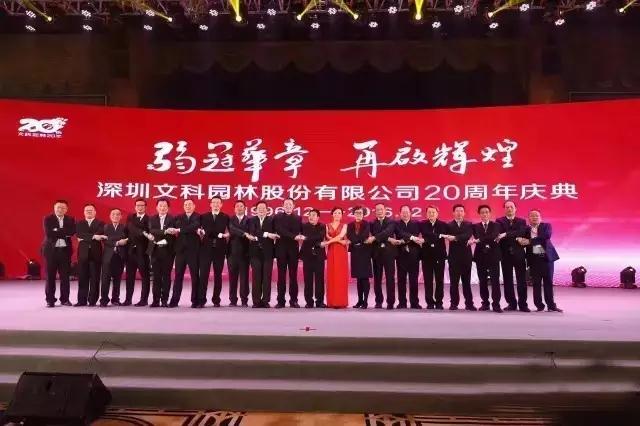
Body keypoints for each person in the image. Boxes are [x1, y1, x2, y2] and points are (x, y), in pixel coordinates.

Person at [518, 209, 562, 312]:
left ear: (540, 218)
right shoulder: (526, 229)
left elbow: (545, 237)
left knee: (548, 282)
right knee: (536, 283)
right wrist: (519, 239)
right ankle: (539, 305)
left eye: (536, 216)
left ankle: (551, 305)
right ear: (529, 218)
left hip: (546, 258)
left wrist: (530, 241)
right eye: (532, 216)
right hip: (534, 259)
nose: (534, 217)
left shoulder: (546, 226)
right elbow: (520, 238)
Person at [496, 201, 530, 312]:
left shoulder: (522, 221)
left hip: (519, 254)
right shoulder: (499, 221)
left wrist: (506, 234)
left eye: (511, 207)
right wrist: (514, 235)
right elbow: (499, 234)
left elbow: (521, 232)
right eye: (507, 207)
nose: (509, 209)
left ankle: (523, 304)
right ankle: (511, 303)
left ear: (516, 208)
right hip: (505, 254)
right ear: (504, 209)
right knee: (507, 280)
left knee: (522, 280)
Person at [166, 199, 201, 308]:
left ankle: (195, 301)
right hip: (180, 250)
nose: (188, 206)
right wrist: (174, 230)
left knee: (195, 276)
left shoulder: (198, 217)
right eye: (186, 204)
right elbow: (174, 228)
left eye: (190, 204)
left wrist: (179, 230)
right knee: (178, 276)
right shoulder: (178, 217)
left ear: (194, 206)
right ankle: (174, 300)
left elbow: (194, 226)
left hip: (193, 250)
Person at [42, 200, 76, 307]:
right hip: (51, 252)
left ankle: (65, 299)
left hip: (65, 252)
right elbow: (49, 233)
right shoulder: (48, 219)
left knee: (65, 277)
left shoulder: (70, 219)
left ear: (66, 209)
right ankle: (50, 300)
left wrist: (57, 230)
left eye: (63, 208)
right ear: (54, 208)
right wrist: (64, 232)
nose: (60, 209)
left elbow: (72, 232)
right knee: (50, 277)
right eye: (58, 207)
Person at [197, 196, 230, 308]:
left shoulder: (225, 217)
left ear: (221, 204)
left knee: (218, 275)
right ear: (210, 204)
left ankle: (216, 300)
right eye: (214, 202)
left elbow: (228, 230)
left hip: (220, 249)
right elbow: (202, 230)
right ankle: (201, 300)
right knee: (203, 275)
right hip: (205, 249)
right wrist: (201, 231)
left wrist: (225, 235)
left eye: (218, 203)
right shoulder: (204, 216)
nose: (216, 204)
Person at [471, 205, 502, 313]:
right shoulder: (475, 226)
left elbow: (494, 236)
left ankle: (496, 304)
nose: (484, 214)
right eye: (482, 212)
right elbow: (480, 236)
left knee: (495, 281)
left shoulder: (496, 225)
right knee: (482, 281)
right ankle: (485, 303)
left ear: (490, 213)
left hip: (494, 256)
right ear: (479, 214)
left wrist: (479, 240)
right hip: (480, 256)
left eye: (486, 212)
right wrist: (481, 239)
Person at [444, 204, 476, 311]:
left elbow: (467, 235)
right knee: (454, 283)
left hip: (466, 257)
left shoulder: (469, 224)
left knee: (466, 282)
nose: (459, 213)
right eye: (457, 211)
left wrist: (455, 238)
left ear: (464, 213)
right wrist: (459, 238)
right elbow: (448, 236)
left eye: (461, 211)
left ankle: (469, 304)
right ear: (453, 213)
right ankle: (454, 303)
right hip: (453, 257)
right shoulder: (448, 225)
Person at [247, 201, 278, 308]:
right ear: (255, 210)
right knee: (256, 277)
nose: (261, 210)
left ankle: (265, 301)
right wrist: (267, 234)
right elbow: (253, 231)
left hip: (268, 252)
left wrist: (264, 235)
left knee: (267, 277)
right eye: (259, 208)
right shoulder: (251, 220)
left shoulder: (272, 220)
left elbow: (275, 233)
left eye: (263, 208)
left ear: (267, 210)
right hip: (254, 252)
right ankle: (256, 301)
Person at [146, 198, 176, 308]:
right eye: (160, 206)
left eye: (164, 206)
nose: (162, 208)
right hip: (155, 251)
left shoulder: (172, 219)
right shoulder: (152, 218)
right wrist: (165, 231)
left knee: (166, 277)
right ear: (157, 207)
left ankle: (164, 300)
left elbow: (171, 235)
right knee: (156, 277)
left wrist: (163, 239)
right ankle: (155, 300)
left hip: (168, 251)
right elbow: (152, 231)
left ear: (168, 208)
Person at [274, 198, 303, 309]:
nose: (288, 206)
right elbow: (279, 230)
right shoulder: (277, 217)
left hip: (293, 250)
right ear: (282, 205)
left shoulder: (298, 218)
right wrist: (293, 236)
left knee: (293, 276)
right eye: (286, 204)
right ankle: (280, 301)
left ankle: (294, 300)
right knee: (281, 276)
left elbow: (301, 231)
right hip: (281, 249)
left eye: (290, 204)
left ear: (294, 206)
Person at [418, 205, 448, 310]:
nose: (431, 214)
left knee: (439, 280)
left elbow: (431, 236)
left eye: (433, 212)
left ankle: (439, 302)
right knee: (428, 280)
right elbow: (427, 234)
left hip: (439, 255)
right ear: (426, 214)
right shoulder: (422, 224)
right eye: (429, 212)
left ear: (437, 213)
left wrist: (427, 239)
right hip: (426, 255)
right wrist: (439, 236)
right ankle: (429, 302)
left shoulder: (443, 224)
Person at [75, 204, 105, 307]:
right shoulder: (79, 223)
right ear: (84, 212)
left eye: (91, 210)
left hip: (95, 253)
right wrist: (94, 236)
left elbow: (100, 232)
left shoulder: (100, 223)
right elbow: (79, 234)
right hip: (83, 253)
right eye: (86, 210)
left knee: (95, 278)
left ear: (95, 212)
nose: (88, 212)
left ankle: (92, 300)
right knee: (82, 277)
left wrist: (85, 237)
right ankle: (81, 300)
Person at [368, 203, 397, 309]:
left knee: (390, 278)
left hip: (389, 254)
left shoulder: (391, 222)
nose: (379, 211)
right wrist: (387, 238)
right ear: (375, 211)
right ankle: (378, 301)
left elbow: (387, 232)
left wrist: (375, 237)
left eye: (381, 209)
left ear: (385, 210)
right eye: (377, 210)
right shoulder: (372, 223)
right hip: (377, 254)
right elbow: (379, 233)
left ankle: (390, 302)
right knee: (377, 279)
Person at [393, 205, 421, 309]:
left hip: (414, 255)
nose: (405, 214)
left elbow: (415, 234)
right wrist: (412, 237)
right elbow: (400, 233)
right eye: (403, 212)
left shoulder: (416, 224)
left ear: (410, 213)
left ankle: (414, 302)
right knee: (401, 280)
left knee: (414, 280)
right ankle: (402, 302)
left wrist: (404, 240)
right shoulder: (396, 224)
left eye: (407, 212)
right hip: (401, 255)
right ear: (400, 213)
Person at [100, 208, 128, 307]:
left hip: (119, 256)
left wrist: (110, 239)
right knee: (105, 279)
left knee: (117, 279)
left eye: (118, 214)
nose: (115, 216)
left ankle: (115, 299)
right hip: (107, 257)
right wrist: (117, 242)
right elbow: (104, 240)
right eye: (113, 214)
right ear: (110, 216)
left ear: (121, 216)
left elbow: (125, 238)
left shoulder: (124, 227)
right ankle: (104, 300)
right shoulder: (105, 227)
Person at [300, 209, 327, 308]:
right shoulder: (304, 226)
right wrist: (316, 242)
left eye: (314, 215)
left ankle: (320, 301)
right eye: (310, 215)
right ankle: (309, 302)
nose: (311, 217)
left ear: (318, 217)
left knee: (320, 280)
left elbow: (320, 236)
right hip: (307, 255)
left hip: (319, 256)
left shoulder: (322, 226)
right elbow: (315, 238)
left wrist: (307, 238)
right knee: (308, 280)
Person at [127, 198, 151, 307]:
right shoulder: (130, 217)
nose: (139, 207)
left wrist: (142, 233)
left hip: (143, 252)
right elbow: (129, 229)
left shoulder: (149, 219)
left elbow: (150, 234)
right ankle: (128, 299)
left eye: (142, 205)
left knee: (145, 277)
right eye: (138, 205)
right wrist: (143, 232)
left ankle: (144, 300)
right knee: (130, 277)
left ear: (145, 207)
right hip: (131, 251)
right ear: (135, 207)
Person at [347, 206, 372, 309]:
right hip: (355, 253)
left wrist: (357, 242)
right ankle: (359, 301)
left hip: (365, 252)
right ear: (354, 214)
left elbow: (364, 235)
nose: (358, 214)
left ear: (363, 214)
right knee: (358, 278)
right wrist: (356, 242)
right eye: (356, 212)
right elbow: (350, 235)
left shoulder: (367, 224)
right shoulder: (350, 225)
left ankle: (365, 301)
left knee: (365, 278)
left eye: (360, 213)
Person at [228, 200, 251, 307]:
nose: (239, 208)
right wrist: (244, 233)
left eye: (241, 206)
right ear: (234, 209)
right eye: (237, 206)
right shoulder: (230, 219)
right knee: (232, 277)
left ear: (245, 208)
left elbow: (249, 230)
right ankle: (233, 300)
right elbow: (232, 229)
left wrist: (244, 233)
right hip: (232, 252)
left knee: (244, 278)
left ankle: (244, 299)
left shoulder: (249, 220)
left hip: (245, 252)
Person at [325, 207, 349, 309]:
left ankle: (341, 301)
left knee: (341, 276)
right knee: (332, 275)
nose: (337, 215)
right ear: (332, 214)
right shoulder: (327, 226)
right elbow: (327, 236)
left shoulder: (345, 225)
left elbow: (341, 236)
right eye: (335, 213)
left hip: (341, 252)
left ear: (342, 215)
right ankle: (331, 301)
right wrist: (338, 241)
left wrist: (328, 242)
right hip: (331, 251)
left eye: (339, 213)